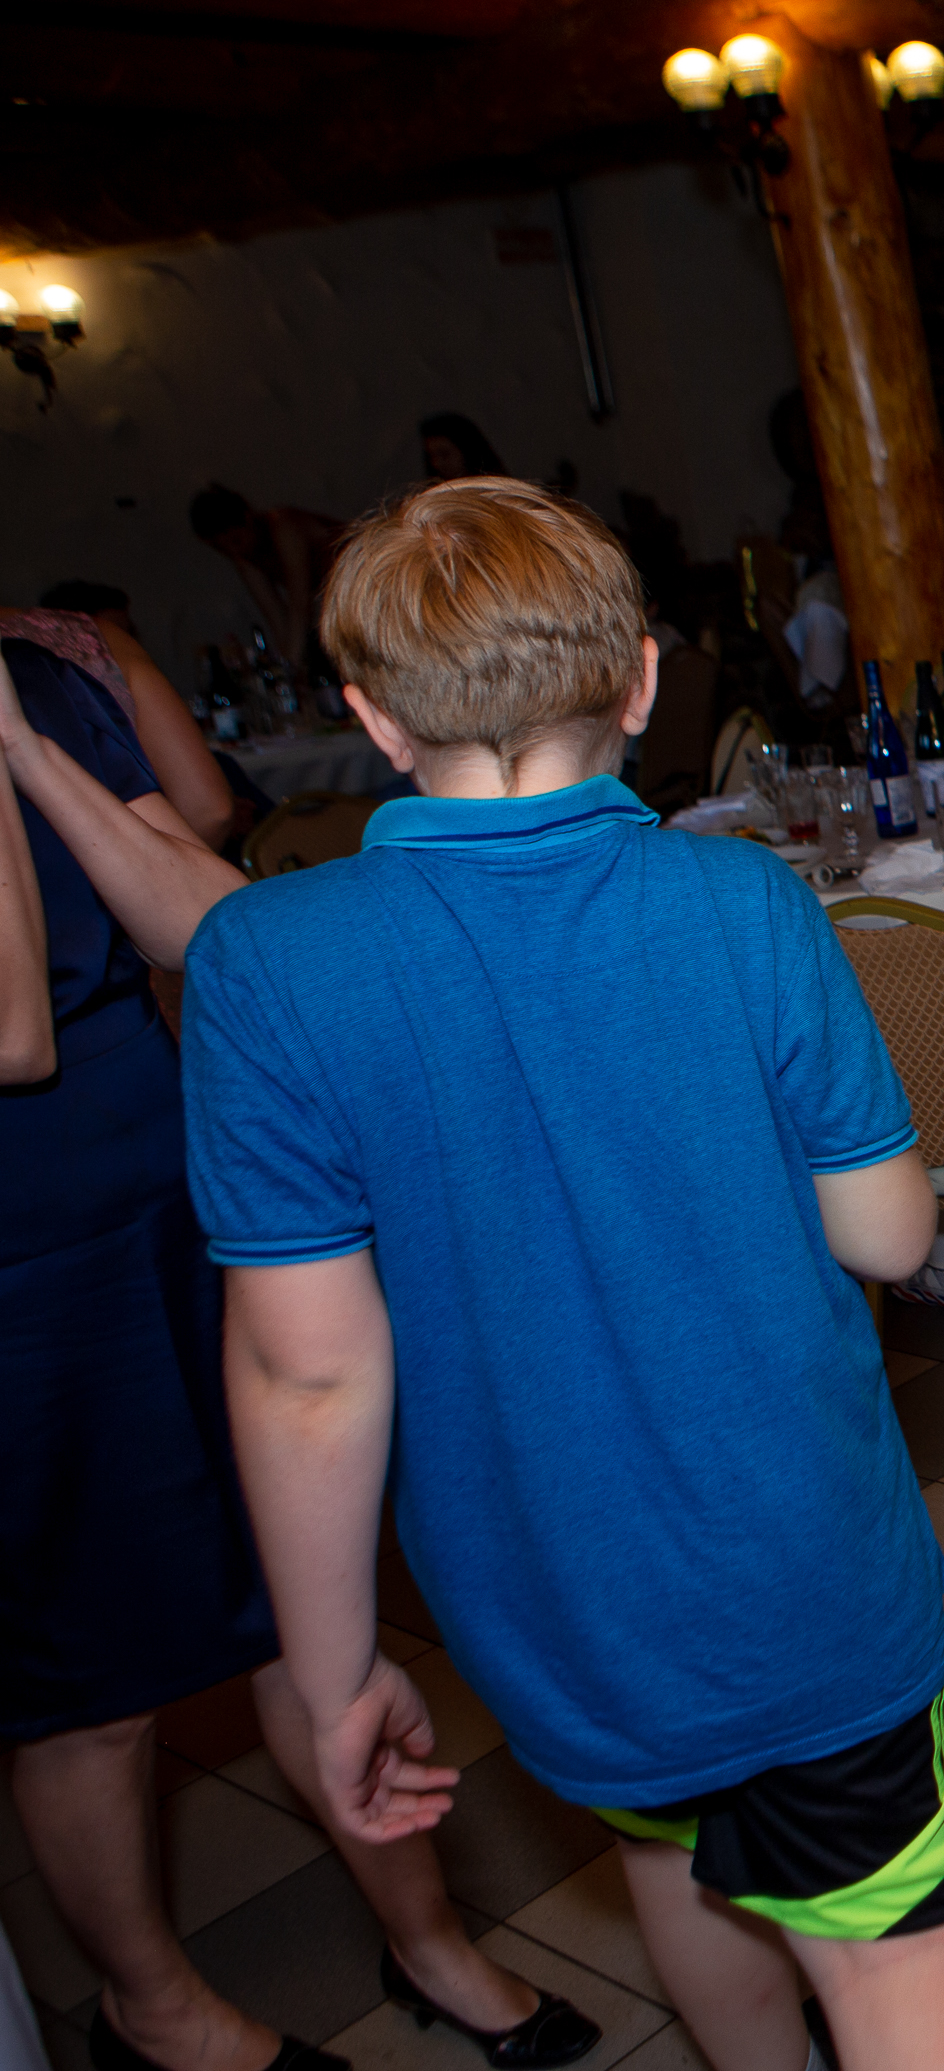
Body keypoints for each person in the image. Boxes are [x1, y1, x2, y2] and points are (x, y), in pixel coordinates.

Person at [182, 478, 944, 2071]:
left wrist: (337, 1678)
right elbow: (889, 1236)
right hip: (797, 1585)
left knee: (674, 1847)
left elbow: (307, 1371)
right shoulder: (747, 901)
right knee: (891, 1954)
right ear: (638, 681)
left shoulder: (262, 963)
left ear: (371, 715)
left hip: (553, 1604)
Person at [2, 609, 593, 2071]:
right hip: (24, 1257)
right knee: (91, 1682)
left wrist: (29, 738)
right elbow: (15, 1031)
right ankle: (150, 2006)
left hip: (172, 1183)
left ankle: (428, 1940)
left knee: (298, 1589)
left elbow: (207, 920)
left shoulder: (34, 681)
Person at [32, 583, 234, 849]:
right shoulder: (82, 642)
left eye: (130, 632)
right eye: (123, 633)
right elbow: (209, 813)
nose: (132, 642)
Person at [188, 486, 347, 690]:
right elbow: (279, 622)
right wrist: (286, 673)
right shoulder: (244, 557)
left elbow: (300, 606)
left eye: (236, 540)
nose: (236, 552)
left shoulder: (284, 526)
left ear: (247, 519)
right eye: (224, 550)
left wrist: (290, 669)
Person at [416, 413, 506, 485]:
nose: (436, 464)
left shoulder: (497, 492)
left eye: (444, 454)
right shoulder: (432, 495)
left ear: (468, 451)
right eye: (431, 456)